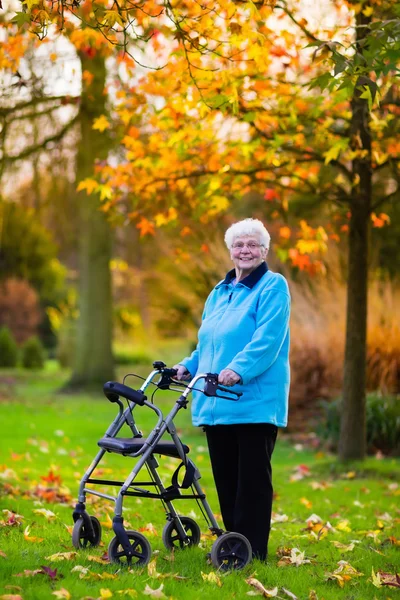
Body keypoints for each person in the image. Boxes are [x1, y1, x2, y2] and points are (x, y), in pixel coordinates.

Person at [173, 217, 290, 562]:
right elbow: (207, 346)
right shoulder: (218, 293)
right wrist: (188, 367)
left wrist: (237, 370)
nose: (245, 250)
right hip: (216, 402)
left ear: (265, 250)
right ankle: (233, 546)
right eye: (239, 245)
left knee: (251, 483)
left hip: (253, 401)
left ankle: (252, 552)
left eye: (252, 244)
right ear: (230, 251)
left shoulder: (272, 286)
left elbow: (267, 340)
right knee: (226, 480)